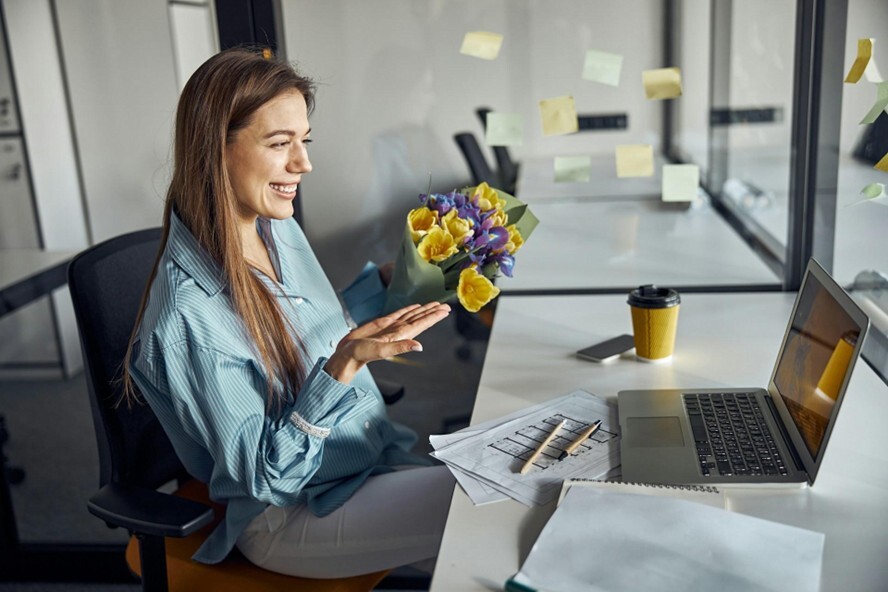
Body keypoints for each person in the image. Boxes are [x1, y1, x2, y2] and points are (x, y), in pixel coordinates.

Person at [121, 47, 454, 579]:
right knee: (494, 507)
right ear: (216, 151)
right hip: (288, 514)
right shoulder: (188, 316)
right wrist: (341, 368)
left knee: (508, 501)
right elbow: (263, 475)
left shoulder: (276, 228)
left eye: (304, 140)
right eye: (280, 144)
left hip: (359, 465)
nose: (304, 163)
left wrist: (388, 285)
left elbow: (302, 329)